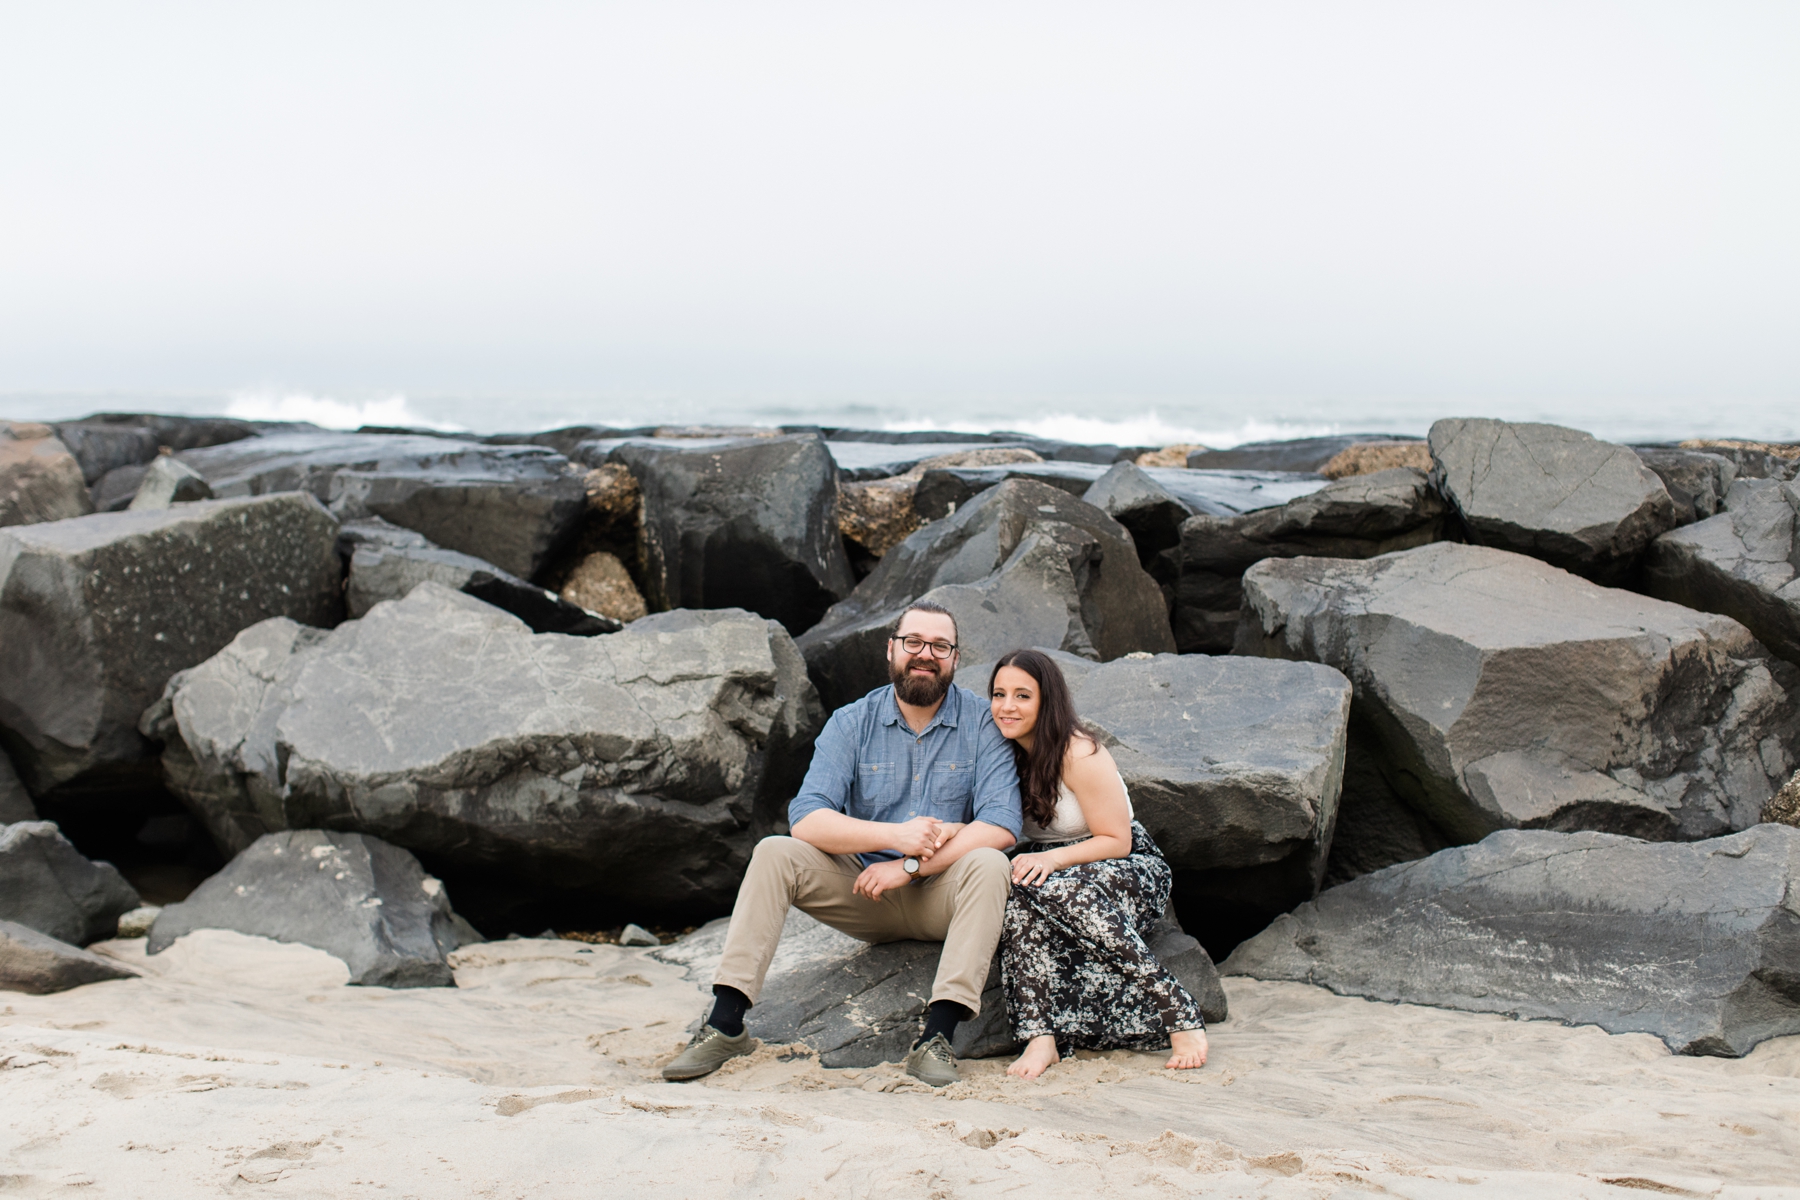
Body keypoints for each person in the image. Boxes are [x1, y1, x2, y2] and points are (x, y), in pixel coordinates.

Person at [661, 601, 1022, 1087]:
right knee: (773, 852)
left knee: (989, 862)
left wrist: (910, 866)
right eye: (913, 642)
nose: (925, 654)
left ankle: (936, 1038)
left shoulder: (983, 723)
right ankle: (725, 1025)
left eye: (940, 646)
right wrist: (894, 837)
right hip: (864, 894)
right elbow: (806, 818)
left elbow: (1001, 823)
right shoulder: (852, 722)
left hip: (943, 897)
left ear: (956, 659)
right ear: (890, 649)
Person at [988, 648, 1208, 1079]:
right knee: (1016, 896)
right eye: (998, 694)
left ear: (1046, 701)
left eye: (1022, 695)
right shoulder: (1000, 755)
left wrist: (1054, 859)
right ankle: (1040, 1037)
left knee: (1045, 885)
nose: (1007, 706)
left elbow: (1117, 839)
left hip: (1124, 863)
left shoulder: (1077, 751)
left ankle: (1174, 1006)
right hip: (1053, 867)